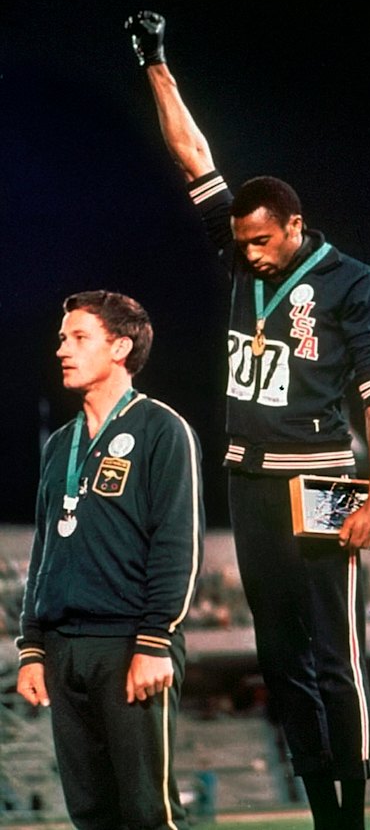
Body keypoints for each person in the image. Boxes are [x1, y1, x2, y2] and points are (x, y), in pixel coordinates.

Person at [124, 12, 370, 830]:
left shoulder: (356, 284)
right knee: (282, 662)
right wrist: (156, 63)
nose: (247, 254)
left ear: (295, 227)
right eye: (240, 243)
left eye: (261, 242)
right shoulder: (242, 250)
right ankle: (322, 814)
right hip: (248, 480)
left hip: (322, 483)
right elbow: (194, 158)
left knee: (335, 657)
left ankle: (353, 813)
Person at [16, 290, 204, 830]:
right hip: (61, 649)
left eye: (79, 338)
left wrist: (154, 640)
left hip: (129, 647)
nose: (62, 350)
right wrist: (32, 648)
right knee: (92, 814)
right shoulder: (59, 446)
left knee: (150, 814)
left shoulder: (162, 430)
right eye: (61, 338)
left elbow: (177, 545)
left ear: (120, 347)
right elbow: (44, 550)